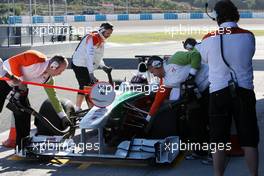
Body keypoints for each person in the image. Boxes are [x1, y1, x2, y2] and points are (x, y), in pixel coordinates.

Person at [199, 1, 259, 175]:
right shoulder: (249, 36)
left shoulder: (208, 38)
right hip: (244, 92)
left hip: (218, 93)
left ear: (217, 17)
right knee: (249, 139)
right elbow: (249, 54)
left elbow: (205, 60)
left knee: (218, 139)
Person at [0, 50, 72, 150]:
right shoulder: (35, 57)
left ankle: (22, 144)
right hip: (3, 79)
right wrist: (20, 80)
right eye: (61, 70)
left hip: (19, 86)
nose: (61, 73)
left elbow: (53, 97)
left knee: (24, 112)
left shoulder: (48, 79)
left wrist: (63, 116)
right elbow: (13, 62)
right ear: (54, 66)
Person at [71, 22, 113, 111]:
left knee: (85, 86)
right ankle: (88, 109)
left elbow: (97, 56)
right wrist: (91, 73)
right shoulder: (93, 38)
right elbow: (89, 56)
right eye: (108, 33)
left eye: (110, 33)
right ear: (102, 31)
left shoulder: (99, 38)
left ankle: (79, 108)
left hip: (84, 65)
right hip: (80, 64)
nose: (109, 35)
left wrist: (103, 66)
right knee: (87, 86)